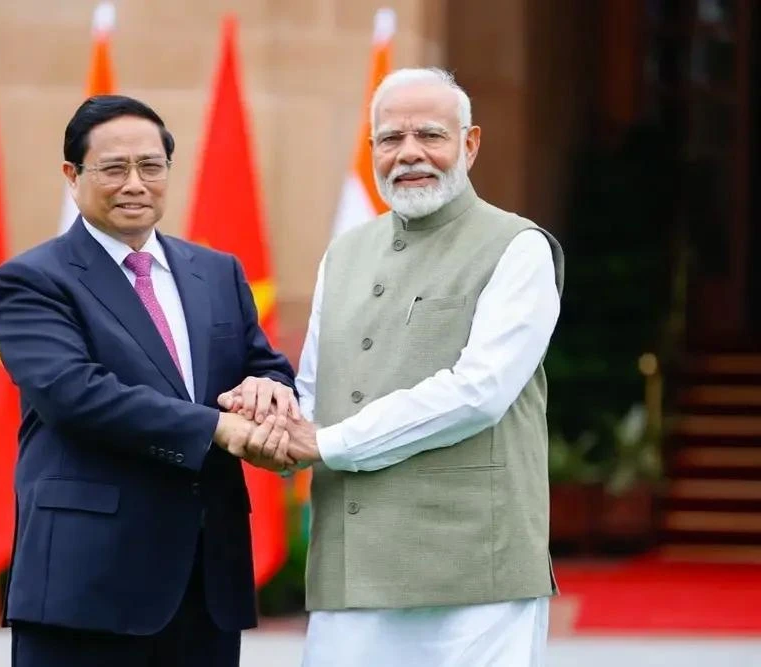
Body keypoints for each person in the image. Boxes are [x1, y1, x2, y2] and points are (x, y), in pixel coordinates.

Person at [223, 67, 565, 666]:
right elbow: (313, 391)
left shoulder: (519, 247)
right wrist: (268, 418)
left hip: (473, 573)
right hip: (352, 568)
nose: (409, 154)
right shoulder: (346, 253)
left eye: (430, 135)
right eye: (390, 138)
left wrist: (325, 443)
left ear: (470, 143)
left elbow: (478, 392)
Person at [0, 94, 299, 667]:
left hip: (206, 582)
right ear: (72, 175)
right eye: (113, 168)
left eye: (151, 167)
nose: (135, 183)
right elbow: (74, 394)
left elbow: (265, 363)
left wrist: (270, 389)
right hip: (87, 587)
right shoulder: (32, 279)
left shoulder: (217, 272)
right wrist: (219, 429)